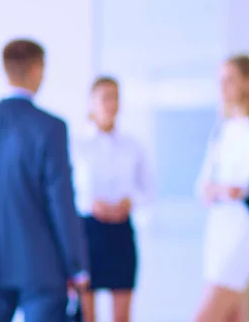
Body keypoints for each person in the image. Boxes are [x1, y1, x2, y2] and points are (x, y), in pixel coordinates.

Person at [0, 39, 90, 322]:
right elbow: (61, 201)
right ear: (37, 69)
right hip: (42, 265)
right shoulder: (51, 127)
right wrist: (76, 265)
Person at [193, 55, 249, 322]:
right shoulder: (222, 130)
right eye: (220, 80)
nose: (222, 87)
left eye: (229, 80)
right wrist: (218, 189)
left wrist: (217, 189)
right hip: (217, 237)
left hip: (244, 237)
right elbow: (201, 188)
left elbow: (241, 189)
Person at [71, 76, 150, 322]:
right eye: (105, 97)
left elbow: (147, 190)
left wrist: (129, 202)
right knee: (87, 315)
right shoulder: (76, 145)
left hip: (121, 232)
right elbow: (65, 193)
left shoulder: (132, 145)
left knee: (122, 316)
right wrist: (91, 204)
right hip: (87, 233)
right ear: (91, 102)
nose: (111, 103)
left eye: (115, 97)